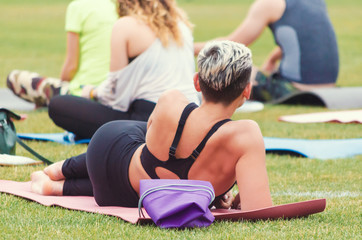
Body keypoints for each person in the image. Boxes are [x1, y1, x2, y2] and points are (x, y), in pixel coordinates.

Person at [30, 40, 273, 211]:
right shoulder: (245, 136)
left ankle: (58, 170)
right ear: (247, 91)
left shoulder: (172, 101)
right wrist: (224, 192)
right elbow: (258, 211)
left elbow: (151, 143)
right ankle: (55, 186)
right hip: (122, 196)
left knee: (137, 138)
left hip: (107, 155)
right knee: (139, 148)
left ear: (197, 83)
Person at [47, 0, 198, 140]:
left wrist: (93, 92)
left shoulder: (125, 25)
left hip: (147, 121)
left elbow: (116, 98)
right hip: (189, 118)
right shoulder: (179, 23)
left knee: (58, 105)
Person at [194, 0, 339, 102]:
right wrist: (272, 59)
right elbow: (308, 39)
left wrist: (189, 48)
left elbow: (232, 44)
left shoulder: (269, 3)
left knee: (237, 72)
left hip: (295, 89)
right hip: (329, 84)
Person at [7, 0, 118, 107]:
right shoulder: (116, 7)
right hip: (111, 92)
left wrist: (60, 86)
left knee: (14, 78)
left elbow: (71, 67)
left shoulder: (77, 7)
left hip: (82, 93)